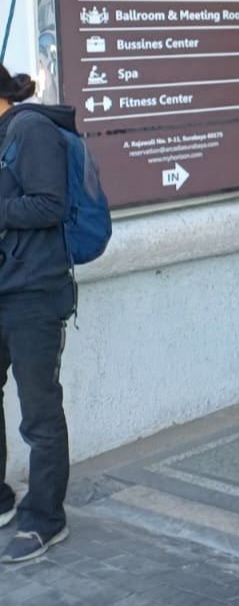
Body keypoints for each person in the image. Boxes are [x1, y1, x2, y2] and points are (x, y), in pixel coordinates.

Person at [0, 66, 76, 562]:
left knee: (39, 412)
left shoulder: (32, 129)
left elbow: (51, 204)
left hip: (32, 294)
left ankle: (46, 517)